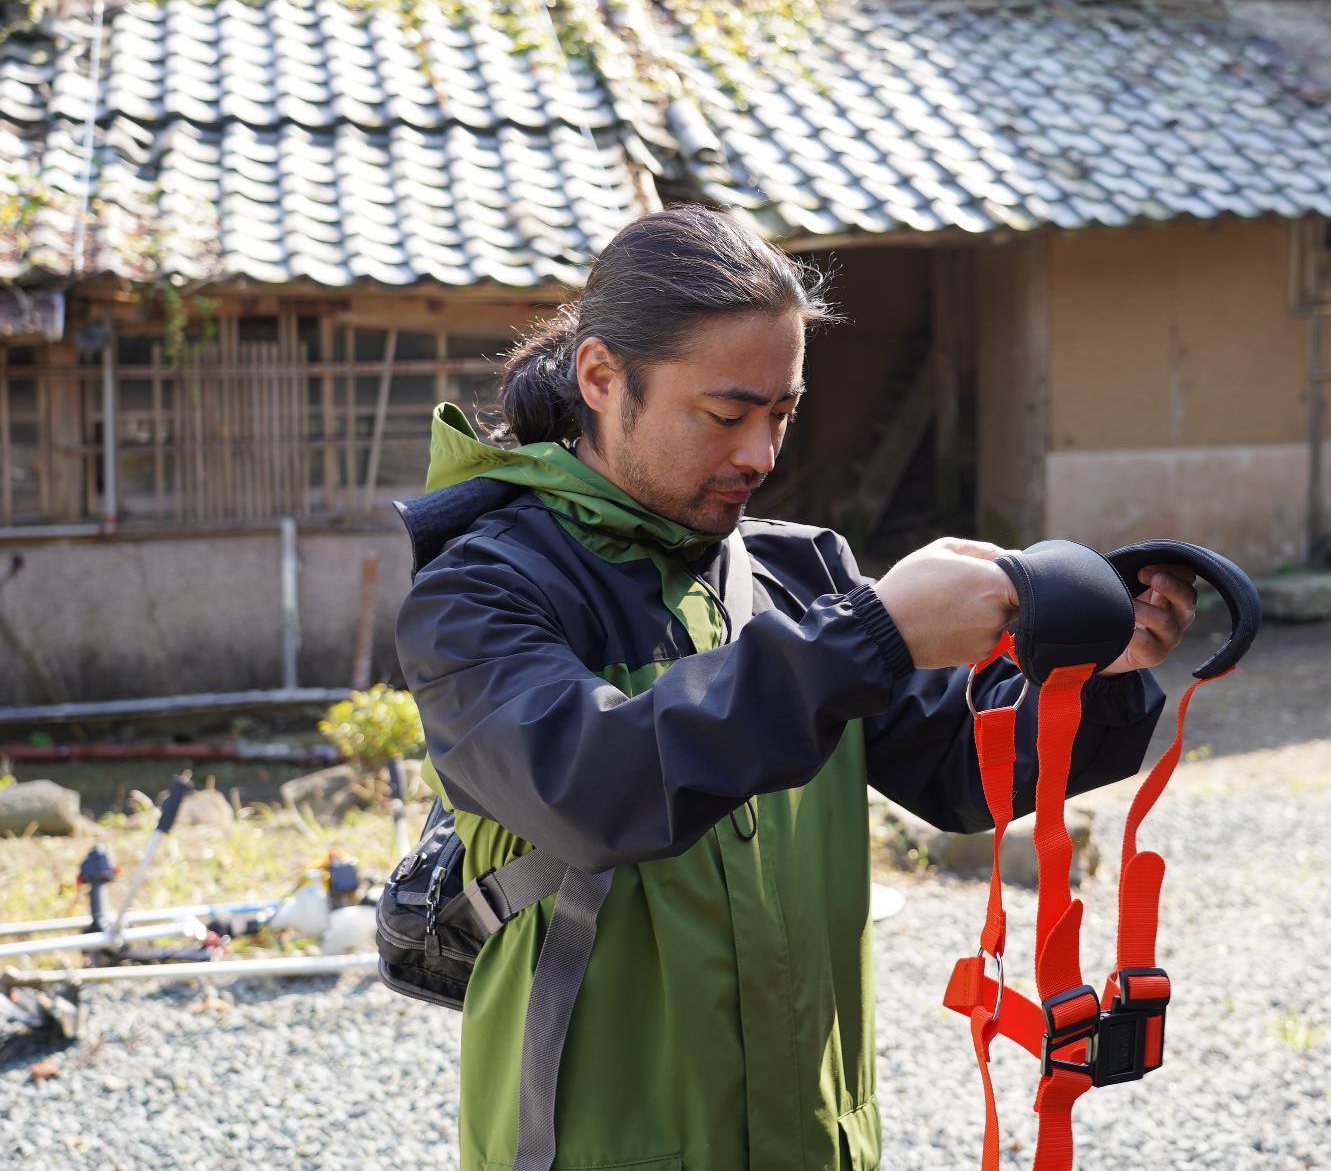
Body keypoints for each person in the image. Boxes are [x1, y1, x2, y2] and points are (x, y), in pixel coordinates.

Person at [393, 205, 1199, 1171]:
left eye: (781, 414)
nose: (761, 455)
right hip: (599, 1144)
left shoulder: (800, 575)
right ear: (603, 377)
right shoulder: (480, 590)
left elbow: (957, 770)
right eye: (726, 414)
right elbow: (593, 786)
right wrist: (876, 633)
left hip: (813, 1139)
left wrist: (1092, 675)